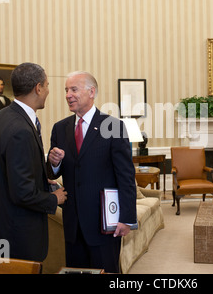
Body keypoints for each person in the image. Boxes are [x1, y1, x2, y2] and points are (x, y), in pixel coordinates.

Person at [47, 71, 137, 273]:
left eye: (74, 89)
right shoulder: (59, 129)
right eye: (66, 90)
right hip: (72, 224)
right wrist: (53, 163)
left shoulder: (113, 126)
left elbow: (126, 177)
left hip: (103, 223)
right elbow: (53, 174)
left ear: (91, 92)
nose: (68, 95)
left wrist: (127, 218)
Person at [0, 62, 67, 262]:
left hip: (0, 227)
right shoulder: (21, 129)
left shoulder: (1, 117)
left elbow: (12, 172)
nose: (48, 91)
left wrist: (45, 181)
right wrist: (55, 199)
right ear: (38, 88)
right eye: (47, 85)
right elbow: (22, 193)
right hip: (16, 234)